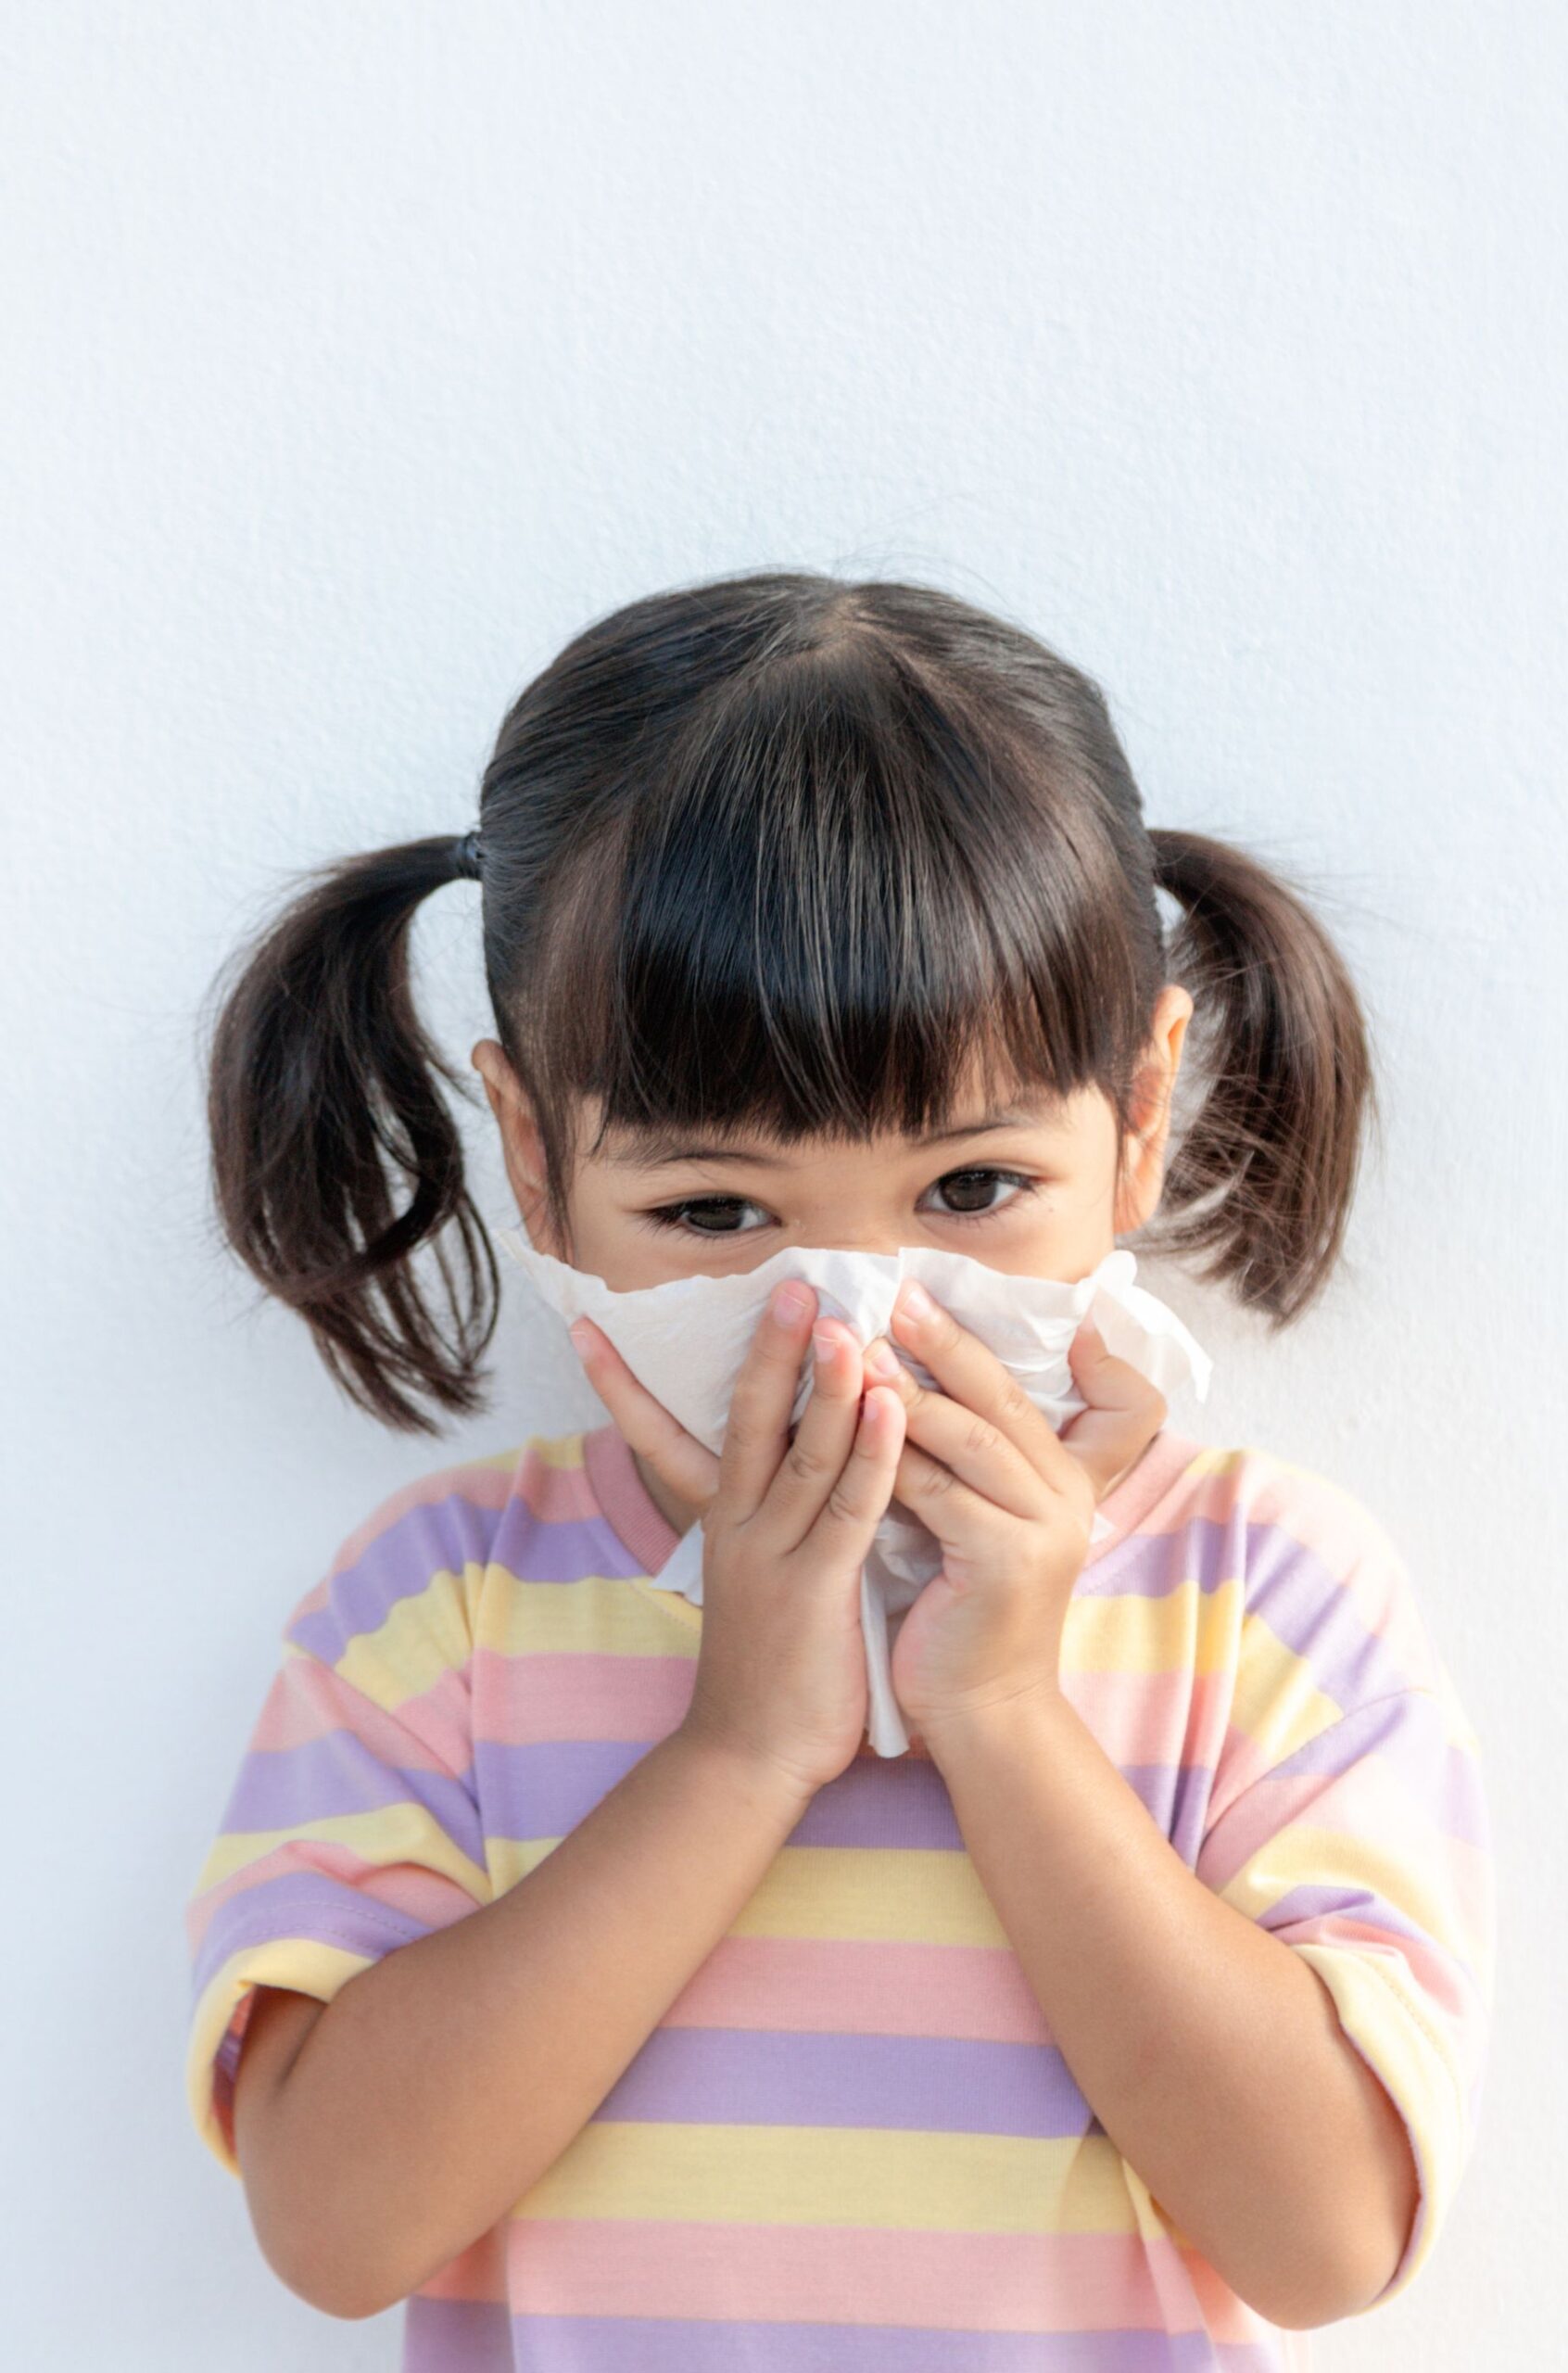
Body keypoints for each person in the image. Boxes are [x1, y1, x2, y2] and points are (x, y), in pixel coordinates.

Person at [183, 568, 1495, 2367]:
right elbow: (332, 2224)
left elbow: (1331, 2234)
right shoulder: (442, 1606)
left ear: (1138, 1117)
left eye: (969, 1190)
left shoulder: (1258, 1592)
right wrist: (737, 1745)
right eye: (715, 1209)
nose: (851, 1311)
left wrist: (1013, 1710)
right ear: (534, 1156)